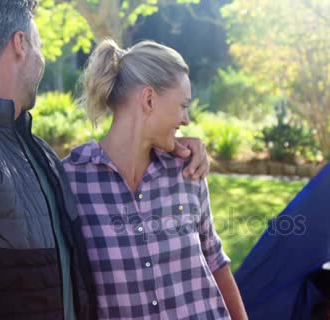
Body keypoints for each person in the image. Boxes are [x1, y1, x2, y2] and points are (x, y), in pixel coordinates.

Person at [0, 1, 209, 319]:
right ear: (20, 44)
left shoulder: (37, 152)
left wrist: (167, 146)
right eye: (40, 45)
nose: (42, 59)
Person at [62, 39, 248, 320]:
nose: (186, 119)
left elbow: (215, 260)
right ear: (149, 99)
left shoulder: (187, 169)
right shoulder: (72, 181)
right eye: (183, 105)